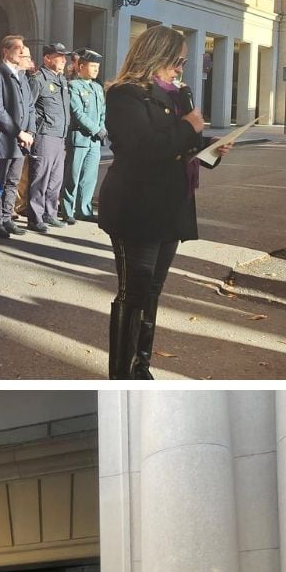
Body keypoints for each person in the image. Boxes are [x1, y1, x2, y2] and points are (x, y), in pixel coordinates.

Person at [98, 25, 229, 379]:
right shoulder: (125, 94)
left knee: (152, 291)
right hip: (136, 207)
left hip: (171, 204)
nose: (181, 68)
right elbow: (142, 148)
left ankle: (141, 367)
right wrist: (189, 129)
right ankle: (122, 376)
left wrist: (209, 145)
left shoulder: (178, 94)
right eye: (178, 60)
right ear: (158, 55)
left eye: (185, 61)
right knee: (134, 292)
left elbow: (178, 143)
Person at [0, 35, 37, 239]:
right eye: (17, 48)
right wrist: (19, 132)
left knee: (13, 181)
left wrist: (30, 132)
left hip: (21, 141)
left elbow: (30, 106)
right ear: (6, 51)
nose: (22, 51)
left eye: (23, 47)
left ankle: (7, 217)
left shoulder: (22, 76)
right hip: (4, 140)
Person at [25, 43, 74, 232]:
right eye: (59, 56)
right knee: (40, 178)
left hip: (59, 135)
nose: (63, 60)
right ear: (47, 58)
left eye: (64, 57)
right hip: (45, 135)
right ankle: (35, 216)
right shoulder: (38, 79)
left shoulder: (61, 79)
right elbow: (29, 107)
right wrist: (35, 129)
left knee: (55, 180)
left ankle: (50, 213)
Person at [63, 51, 108, 223]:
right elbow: (77, 113)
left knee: (89, 178)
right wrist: (97, 129)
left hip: (94, 141)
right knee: (73, 176)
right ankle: (68, 210)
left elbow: (102, 111)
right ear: (81, 67)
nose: (96, 70)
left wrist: (102, 128)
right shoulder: (74, 86)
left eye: (98, 67)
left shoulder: (97, 87)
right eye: (93, 66)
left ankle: (84, 210)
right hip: (79, 139)